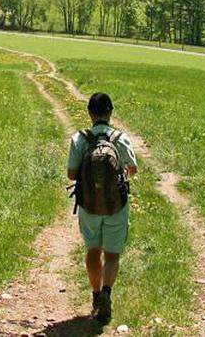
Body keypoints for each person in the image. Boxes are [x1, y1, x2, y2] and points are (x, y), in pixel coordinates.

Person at [67, 92, 138, 325]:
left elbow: (71, 173)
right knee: (112, 254)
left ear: (90, 113)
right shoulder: (120, 138)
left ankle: (96, 295)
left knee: (93, 250)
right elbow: (133, 168)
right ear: (110, 112)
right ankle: (107, 291)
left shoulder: (79, 139)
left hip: (88, 206)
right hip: (116, 206)